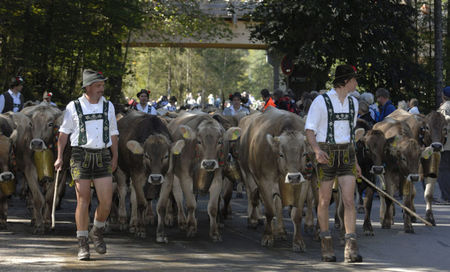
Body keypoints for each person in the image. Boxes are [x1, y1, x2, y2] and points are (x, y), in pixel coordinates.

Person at [54, 69, 119, 261]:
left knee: (106, 202)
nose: (102, 89)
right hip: (80, 155)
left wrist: (115, 156)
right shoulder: (73, 107)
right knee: (83, 200)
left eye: (102, 85)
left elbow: (114, 133)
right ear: (88, 87)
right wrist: (59, 157)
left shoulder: (109, 106)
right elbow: (63, 134)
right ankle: (82, 242)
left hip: (102, 156)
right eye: (98, 86)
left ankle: (97, 230)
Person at [305, 64, 362, 263]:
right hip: (326, 153)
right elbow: (310, 130)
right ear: (346, 81)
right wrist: (316, 150)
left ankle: (350, 248)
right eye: (354, 79)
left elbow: (352, 135)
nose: (356, 83)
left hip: (347, 153)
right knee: (324, 200)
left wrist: (355, 162)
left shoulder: (354, 103)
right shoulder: (321, 102)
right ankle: (326, 245)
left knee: (348, 200)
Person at [437, 86, 450, 204]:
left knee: (443, 170)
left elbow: (440, 125)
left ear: (443, 96)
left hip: (446, 145)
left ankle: (445, 197)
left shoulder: (445, 107)